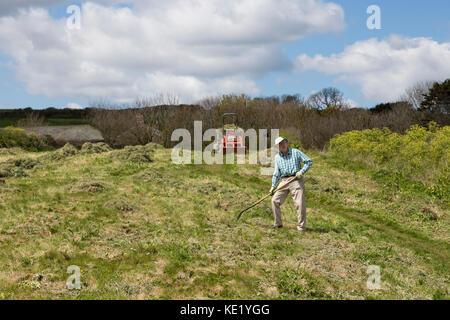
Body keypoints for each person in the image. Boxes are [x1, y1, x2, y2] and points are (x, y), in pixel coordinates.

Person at [269, 137, 312, 233]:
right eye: (280, 144)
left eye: (283, 143)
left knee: (299, 204)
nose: (282, 145)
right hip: (284, 181)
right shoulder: (277, 157)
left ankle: (301, 228)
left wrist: (301, 171)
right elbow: (276, 173)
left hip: (296, 179)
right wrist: (273, 186)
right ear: (278, 147)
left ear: (286, 143)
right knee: (274, 200)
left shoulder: (295, 152)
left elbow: (308, 162)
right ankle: (278, 224)